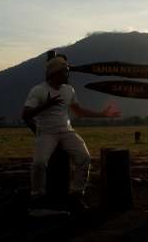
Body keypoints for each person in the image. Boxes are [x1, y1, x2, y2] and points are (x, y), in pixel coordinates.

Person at [22, 53, 120, 212]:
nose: (68, 74)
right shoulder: (38, 90)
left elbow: (78, 112)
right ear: (54, 74)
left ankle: (76, 194)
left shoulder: (69, 90)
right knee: (39, 163)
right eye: (65, 72)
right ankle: (37, 195)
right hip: (46, 132)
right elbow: (25, 115)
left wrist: (102, 114)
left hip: (66, 130)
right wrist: (45, 107)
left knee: (84, 158)